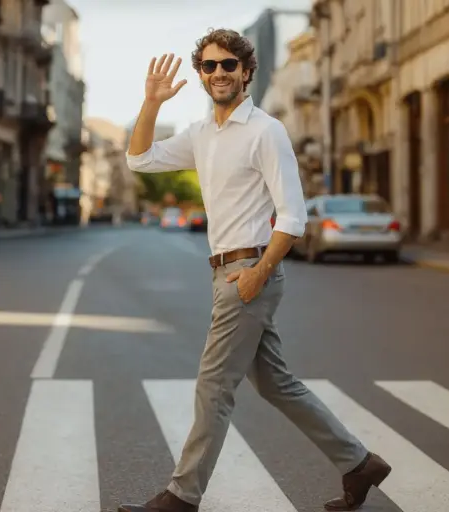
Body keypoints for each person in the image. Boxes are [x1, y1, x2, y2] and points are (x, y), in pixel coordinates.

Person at [118, 28, 391, 512]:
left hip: (248, 270)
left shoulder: (266, 130)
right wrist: (152, 103)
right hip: (226, 270)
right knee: (275, 384)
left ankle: (181, 497)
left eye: (228, 65)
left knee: (214, 387)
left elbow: (292, 215)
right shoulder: (202, 133)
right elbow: (139, 158)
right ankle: (358, 463)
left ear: (246, 72)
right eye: (209, 66)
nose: (218, 73)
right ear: (201, 75)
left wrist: (259, 273)